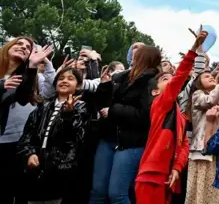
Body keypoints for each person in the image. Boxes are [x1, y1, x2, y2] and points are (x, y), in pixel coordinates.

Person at [135, 30, 208, 204]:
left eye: (170, 78)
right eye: (165, 79)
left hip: (169, 177)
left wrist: (177, 168)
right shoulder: (160, 105)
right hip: (150, 175)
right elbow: (179, 78)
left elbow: (184, 144)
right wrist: (193, 49)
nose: (171, 80)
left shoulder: (181, 116)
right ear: (155, 91)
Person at [90, 44, 161, 204]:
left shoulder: (151, 82)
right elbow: (102, 105)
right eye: (132, 51)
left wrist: (114, 110)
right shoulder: (120, 77)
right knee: (98, 192)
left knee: (117, 194)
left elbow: (145, 115)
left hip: (131, 142)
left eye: (137, 53)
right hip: (109, 137)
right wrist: (104, 86)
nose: (132, 55)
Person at [17, 67, 90, 204]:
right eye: (61, 78)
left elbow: (77, 139)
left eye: (70, 78)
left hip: (61, 172)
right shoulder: (42, 108)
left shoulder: (82, 108)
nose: (64, 81)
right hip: (36, 169)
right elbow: (27, 135)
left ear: (79, 85)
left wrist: (68, 115)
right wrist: (29, 153)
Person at [0, 37, 53, 204]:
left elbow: (22, 98)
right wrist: (1, 85)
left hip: (11, 142)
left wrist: (31, 67)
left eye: (28, 47)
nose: (23, 47)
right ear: (7, 47)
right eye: (19, 43)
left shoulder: (22, 77)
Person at [186, 54, 219, 204]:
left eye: (212, 76)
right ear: (198, 83)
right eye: (207, 76)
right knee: (200, 189)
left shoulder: (218, 98)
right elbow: (210, 99)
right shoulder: (197, 95)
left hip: (215, 148)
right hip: (200, 149)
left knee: (214, 192)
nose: (211, 77)